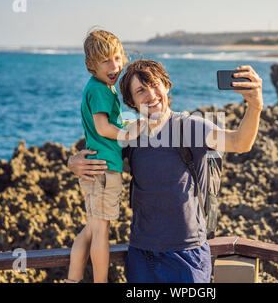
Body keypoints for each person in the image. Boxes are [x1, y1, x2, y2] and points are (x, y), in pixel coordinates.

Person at [68, 59, 263, 282]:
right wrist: (73, 163)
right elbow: (98, 158)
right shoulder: (131, 135)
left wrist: (255, 106)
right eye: (140, 90)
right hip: (141, 256)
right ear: (131, 102)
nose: (151, 95)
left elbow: (240, 143)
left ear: (167, 85)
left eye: (155, 84)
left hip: (187, 255)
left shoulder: (192, 127)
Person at [65, 29, 142, 283]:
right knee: (101, 232)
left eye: (118, 58)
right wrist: (131, 133)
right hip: (104, 171)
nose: (115, 65)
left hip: (99, 169)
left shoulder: (101, 88)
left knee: (90, 230)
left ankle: (73, 279)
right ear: (91, 66)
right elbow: (102, 128)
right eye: (106, 61)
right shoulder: (99, 90)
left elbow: (106, 125)